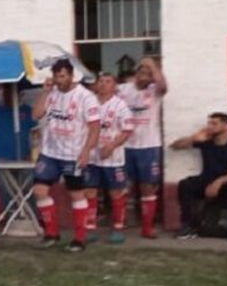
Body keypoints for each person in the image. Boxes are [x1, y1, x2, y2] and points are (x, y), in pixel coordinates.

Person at [32, 61, 101, 252]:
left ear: (71, 75)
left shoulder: (86, 97)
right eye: (56, 76)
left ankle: (80, 238)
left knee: (76, 193)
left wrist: (87, 150)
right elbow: (37, 114)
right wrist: (45, 92)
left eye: (62, 76)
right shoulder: (52, 93)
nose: (58, 80)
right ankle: (51, 233)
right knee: (39, 190)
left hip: (73, 153)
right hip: (50, 152)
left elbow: (95, 127)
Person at [170, 113, 227, 242]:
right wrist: (193, 138)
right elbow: (175, 146)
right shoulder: (206, 140)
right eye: (209, 123)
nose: (210, 126)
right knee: (185, 185)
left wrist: (219, 182)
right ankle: (187, 226)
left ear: (226, 126)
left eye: (214, 123)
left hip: (226, 183)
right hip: (207, 180)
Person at [83, 72, 137, 245]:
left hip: (113, 158)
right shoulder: (89, 103)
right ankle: (90, 227)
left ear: (115, 86)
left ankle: (118, 227)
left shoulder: (120, 106)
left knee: (116, 192)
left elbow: (127, 129)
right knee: (90, 191)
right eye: (101, 81)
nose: (104, 84)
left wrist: (111, 146)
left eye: (108, 81)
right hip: (92, 156)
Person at [118, 56, 168, 238]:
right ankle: (121, 223)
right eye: (141, 72)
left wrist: (152, 66)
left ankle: (147, 228)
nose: (144, 76)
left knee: (148, 186)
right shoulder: (124, 89)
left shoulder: (155, 90)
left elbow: (163, 86)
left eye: (148, 74)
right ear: (136, 73)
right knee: (123, 185)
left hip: (148, 146)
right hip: (125, 145)